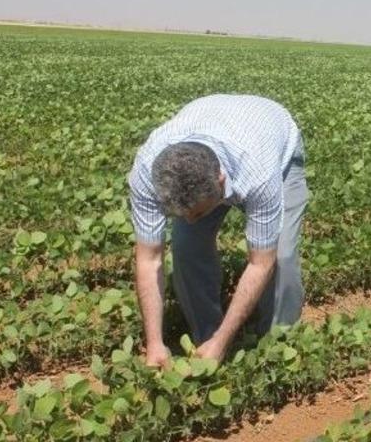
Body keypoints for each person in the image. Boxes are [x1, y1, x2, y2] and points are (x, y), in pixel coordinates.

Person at [128, 94, 308, 366]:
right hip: (213, 125)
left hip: (274, 142)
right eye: (181, 213)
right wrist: (154, 343)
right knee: (186, 245)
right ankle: (205, 338)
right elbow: (148, 259)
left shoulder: (258, 173)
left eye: (197, 212)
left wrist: (226, 341)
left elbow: (261, 263)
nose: (190, 219)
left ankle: (278, 344)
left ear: (220, 181)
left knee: (281, 256)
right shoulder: (146, 173)